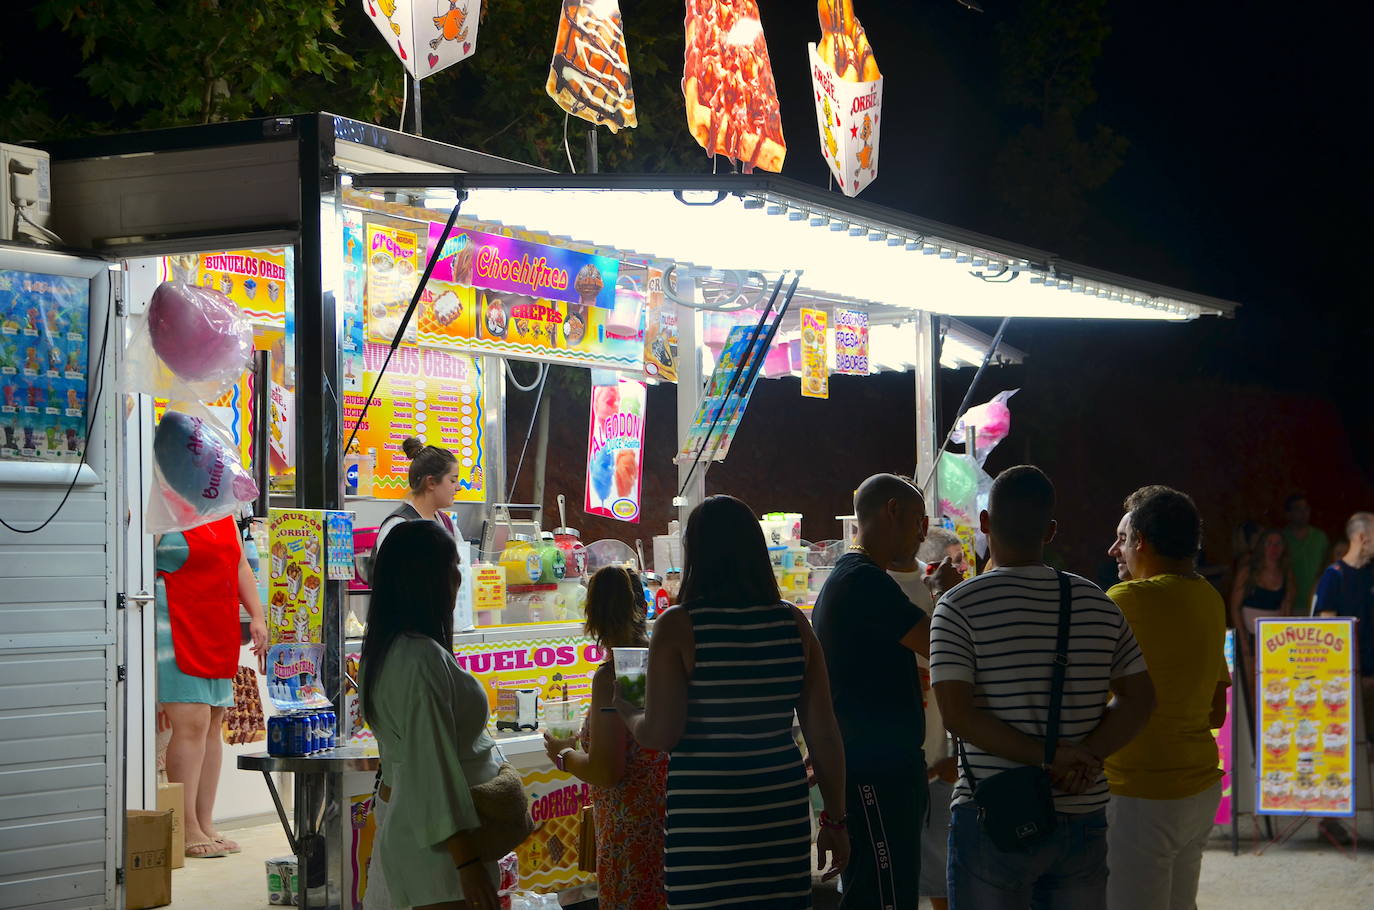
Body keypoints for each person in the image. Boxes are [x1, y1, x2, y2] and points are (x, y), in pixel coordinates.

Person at [931, 465, 1156, 909]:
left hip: (993, 812)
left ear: (984, 524)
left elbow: (958, 715)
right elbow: (1141, 699)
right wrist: (1084, 758)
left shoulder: (957, 606)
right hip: (1081, 810)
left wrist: (1050, 755)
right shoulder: (1097, 602)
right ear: (1050, 531)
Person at [614, 495, 849, 909]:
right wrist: (835, 819)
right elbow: (825, 734)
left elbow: (662, 734)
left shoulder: (679, 626)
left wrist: (631, 711)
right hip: (780, 808)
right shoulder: (794, 624)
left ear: (695, 554)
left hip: (704, 815)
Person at [813, 474, 953, 909]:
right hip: (875, 774)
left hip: (880, 769)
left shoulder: (858, 578)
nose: (921, 535)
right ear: (892, 511)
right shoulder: (863, 582)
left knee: (882, 893)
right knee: (885, 897)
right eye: (917, 522)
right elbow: (939, 644)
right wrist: (950, 598)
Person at [361, 521, 501, 910]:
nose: (459, 577)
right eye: (451, 565)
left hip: (424, 839)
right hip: (442, 859)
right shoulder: (420, 658)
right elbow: (432, 767)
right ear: (425, 578)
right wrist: (467, 861)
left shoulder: (390, 649)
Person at [1104, 486, 1229, 910]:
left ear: (1141, 540)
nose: (1112, 550)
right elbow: (1216, 710)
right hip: (1197, 790)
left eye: (1121, 539)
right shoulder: (1210, 600)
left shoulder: (1127, 600)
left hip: (1141, 793)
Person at [543, 566, 668, 910]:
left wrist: (562, 754)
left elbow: (607, 769)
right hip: (665, 819)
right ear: (642, 605)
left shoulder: (613, 675)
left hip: (630, 828)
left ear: (593, 613)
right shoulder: (659, 660)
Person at [156, 514, 268, 859]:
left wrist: (258, 616)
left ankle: (205, 821)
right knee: (191, 722)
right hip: (171, 620)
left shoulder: (223, 515)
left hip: (216, 622)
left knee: (213, 721)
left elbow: (240, 568)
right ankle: (185, 824)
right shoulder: (158, 507)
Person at [889, 512, 962, 910]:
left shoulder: (941, 591)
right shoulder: (873, 587)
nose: (960, 569)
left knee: (942, 881)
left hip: (938, 764)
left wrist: (954, 752)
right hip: (890, 766)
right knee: (889, 879)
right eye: (953, 559)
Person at [1314, 512, 1374, 746]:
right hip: (1348, 684)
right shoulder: (1333, 577)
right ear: (1362, 537)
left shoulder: (1370, 574)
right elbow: (1327, 632)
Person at [374, 437, 462, 550]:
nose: (458, 487)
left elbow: (461, 564)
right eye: (453, 480)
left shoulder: (447, 524)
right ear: (431, 482)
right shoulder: (399, 526)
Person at [1229, 529, 1296, 636]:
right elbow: (1235, 608)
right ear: (1262, 546)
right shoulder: (1247, 572)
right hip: (1248, 634)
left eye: (1278, 544)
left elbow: (1287, 610)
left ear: (1284, 548)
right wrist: (1243, 640)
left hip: (1274, 637)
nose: (1274, 548)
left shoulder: (1287, 573)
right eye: (1269, 543)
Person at [1282, 494, 1330, 616]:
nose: (1303, 513)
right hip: (1289, 605)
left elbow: (1328, 566)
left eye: (1306, 509)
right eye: (1298, 509)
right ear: (1288, 514)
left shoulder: (1320, 537)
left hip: (1317, 603)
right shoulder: (1281, 538)